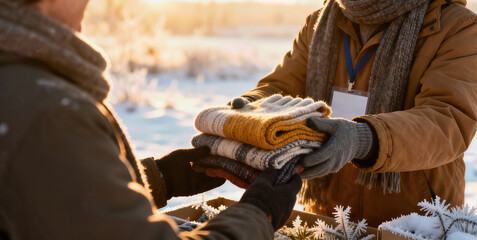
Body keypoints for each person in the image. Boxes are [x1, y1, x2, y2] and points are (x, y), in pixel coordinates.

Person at [0, 0, 302, 239]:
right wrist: (260, 213)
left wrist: (161, 178)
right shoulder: (52, 112)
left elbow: (59, 203)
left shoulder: (18, 80)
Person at [232, 0, 477, 227]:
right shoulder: (322, 21)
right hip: (327, 215)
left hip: (413, 223)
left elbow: (448, 120)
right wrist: (246, 108)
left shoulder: (456, 27)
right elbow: (282, 89)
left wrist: (364, 138)